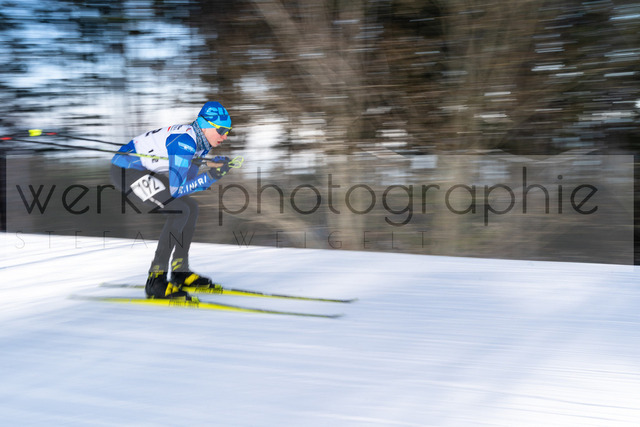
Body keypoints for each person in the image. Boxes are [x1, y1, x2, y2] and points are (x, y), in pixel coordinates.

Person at [110, 101, 233, 300]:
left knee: (190, 207)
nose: (225, 136)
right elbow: (177, 189)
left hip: (143, 170)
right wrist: (211, 176)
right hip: (126, 171)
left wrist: (210, 170)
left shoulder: (200, 144)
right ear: (205, 125)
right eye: (221, 130)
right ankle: (155, 280)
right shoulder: (185, 142)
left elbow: (188, 181)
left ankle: (180, 272)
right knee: (179, 211)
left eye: (228, 131)